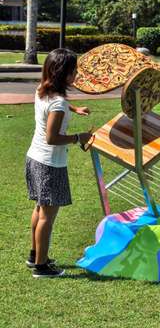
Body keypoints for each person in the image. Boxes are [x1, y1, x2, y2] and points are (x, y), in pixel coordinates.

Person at [25, 48, 92, 278]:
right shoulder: (58, 104)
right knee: (47, 216)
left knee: (39, 209)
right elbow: (52, 138)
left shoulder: (42, 90)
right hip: (49, 164)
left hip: (34, 158)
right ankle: (42, 267)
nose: (76, 74)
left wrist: (75, 109)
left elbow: (57, 105)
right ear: (63, 74)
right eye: (74, 71)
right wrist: (78, 138)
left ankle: (35, 255)